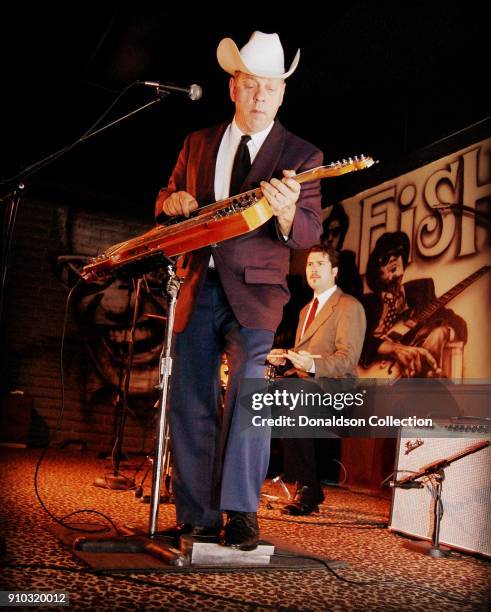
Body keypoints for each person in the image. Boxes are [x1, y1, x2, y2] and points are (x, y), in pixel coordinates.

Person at [154, 31, 323, 549]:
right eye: (251, 85)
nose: (260, 97)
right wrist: (173, 201)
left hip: (256, 295)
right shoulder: (197, 143)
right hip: (196, 282)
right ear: (233, 87)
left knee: (249, 394)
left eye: (270, 89)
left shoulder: (303, 153)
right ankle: (198, 514)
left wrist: (290, 210)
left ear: (282, 94)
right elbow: (164, 197)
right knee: (189, 398)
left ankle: (241, 511)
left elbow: (311, 230)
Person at [268, 245, 366, 514]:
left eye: (320, 264)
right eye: (310, 264)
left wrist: (310, 363)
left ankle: (308, 487)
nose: (313, 269)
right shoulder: (305, 310)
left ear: (334, 271)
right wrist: (286, 357)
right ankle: (263, 477)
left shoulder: (349, 306)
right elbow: (305, 356)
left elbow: (347, 359)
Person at [360, 231, 467, 378]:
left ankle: (426, 378)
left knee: (440, 331)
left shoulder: (422, 294)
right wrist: (391, 348)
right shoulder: (366, 303)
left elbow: (458, 322)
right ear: (376, 272)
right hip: (369, 372)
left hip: (407, 371)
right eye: (385, 258)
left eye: (397, 253)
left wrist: (445, 332)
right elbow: (352, 340)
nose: (393, 259)